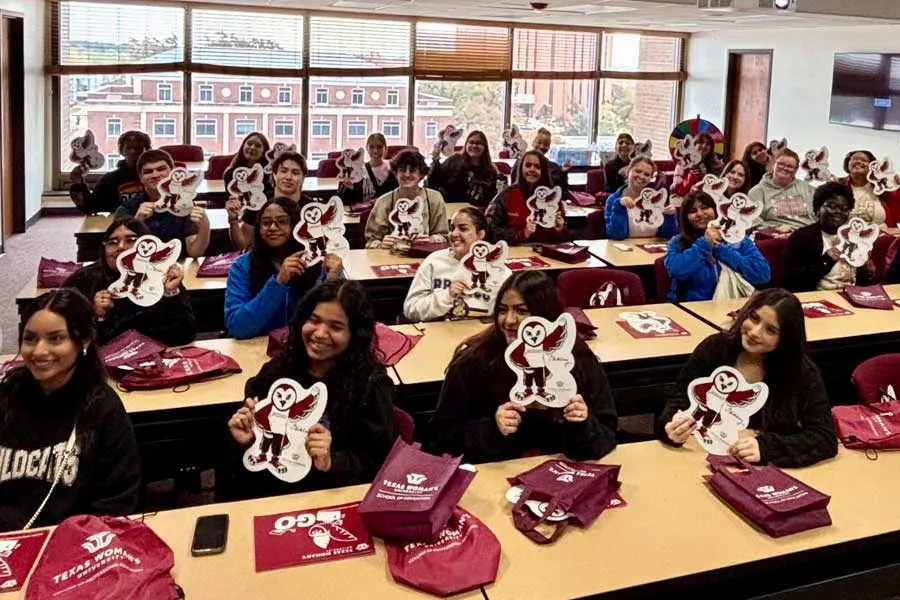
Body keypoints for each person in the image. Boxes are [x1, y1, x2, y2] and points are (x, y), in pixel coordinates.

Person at [226, 280, 394, 498]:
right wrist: (246, 440)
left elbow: (377, 461)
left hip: (329, 496)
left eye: (336, 327)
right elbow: (245, 464)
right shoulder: (277, 370)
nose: (320, 333)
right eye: (314, 320)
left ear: (355, 334)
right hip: (269, 494)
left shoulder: (371, 385)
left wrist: (332, 462)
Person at [429, 271, 618, 464]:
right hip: (495, 473)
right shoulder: (474, 360)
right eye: (502, 310)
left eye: (521, 311)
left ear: (545, 314)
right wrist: (492, 429)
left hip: (562, 470)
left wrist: (582, 424)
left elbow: (607, 433)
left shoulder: (576, 357)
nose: (509, 321)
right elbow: (441, 437)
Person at [0, 289, 141, 531]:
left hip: (74, 546)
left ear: (83, 340)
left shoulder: (103, 408)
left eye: (55, 339)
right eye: (30, 338)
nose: (39, 351)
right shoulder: (5, 398)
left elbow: (117, 500)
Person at [658, 288, 838, 468]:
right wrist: (670, 425)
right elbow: (679, 396)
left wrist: (766, 448)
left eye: (770, 330)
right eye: (754, 318)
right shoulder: (715, 348)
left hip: (760, 470)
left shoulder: (801, 371)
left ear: (785, 339)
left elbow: (824, 437)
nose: (755, 332)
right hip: (697, 455)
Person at [63, 217, 196, 346]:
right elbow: (68, 340)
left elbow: (184, 336)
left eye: (131, 240)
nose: (121, 247)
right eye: (112, 242)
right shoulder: (83, 280)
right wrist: (98, 316)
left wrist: (171, 295)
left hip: (154, 359)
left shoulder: (162, 276)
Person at [225, 197, 343, 339]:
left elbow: (337, 322)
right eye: (266, 223)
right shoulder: (242, 266)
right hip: (257, 347)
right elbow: (236, 327)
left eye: (282, 221)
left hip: (309, 346)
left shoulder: (319, 262)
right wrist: (278, 283)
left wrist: (333, 282)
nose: (273, 228)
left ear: (296, 225)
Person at [665, 190, 770, 301]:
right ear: (686, 217)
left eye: (705, 207)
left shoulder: (739, 240)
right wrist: (704, 244)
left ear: (716, 210)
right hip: (693, 308)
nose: (700, 214)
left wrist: (720, 248)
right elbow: (676, 270)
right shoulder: (677, 242)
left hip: (732, 303)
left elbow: (762, 274)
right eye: (692, 211)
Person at [113, 149, 211, 257]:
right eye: (148, 171)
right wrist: (137, 222)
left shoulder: (185, 207)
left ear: (172, 172)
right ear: (141, 178)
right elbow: (121, 253)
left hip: (176, 268)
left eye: (161, 169)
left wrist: (205, 227)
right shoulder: (126, 208)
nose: (155, 175)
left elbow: (195, 253)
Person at [782, 181, 875, 292]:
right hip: (818, 297)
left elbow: (862, 283)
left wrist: (867, 271)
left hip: (852, 296)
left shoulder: (855, 237)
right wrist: (826, 261)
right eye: (831, 207)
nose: (837, 212)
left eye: (844, 209)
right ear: (817, 208)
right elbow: (792, 281)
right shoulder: (801, 238)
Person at [403, 207, 490, 322]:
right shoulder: (434, 262)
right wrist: (447, 295)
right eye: (452, 228)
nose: (454, 234)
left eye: (463, 229)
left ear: (480, 234)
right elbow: (411, 310)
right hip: (439, 332)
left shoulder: (495, 266)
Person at [364, 149, 448, 249]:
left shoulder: (435, 198)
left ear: (421, 174)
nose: (407, 174)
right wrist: (381, 244)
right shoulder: (383, 201)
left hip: (425, 257)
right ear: (396, 173)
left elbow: (444, 236)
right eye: (402, 170)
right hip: (391, 258)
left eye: (412, 170)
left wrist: (431, 240)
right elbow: (370, 241)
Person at [227, 151, 312, 251]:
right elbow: (243, 245)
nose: (288, 177)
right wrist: (233, 220)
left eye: (295, 173)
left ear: (303, 178)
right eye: (283, 171)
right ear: (274, 175)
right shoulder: (258, 201)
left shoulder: (312, 208)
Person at [488, 150, 568, 245]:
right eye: (528, 165)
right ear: (521, 168)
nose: (532, 169)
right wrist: (521, 234)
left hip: (544, 251)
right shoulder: (507, 195)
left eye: (537, 167)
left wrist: (558, 230)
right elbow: (491, 231)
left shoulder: (553, 198)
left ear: (544, 171)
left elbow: (561, 240)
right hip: (515, 250)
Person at [70, 130, 152, 215]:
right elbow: (90, 207)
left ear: (147, 150)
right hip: (120, 224)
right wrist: (78, 184)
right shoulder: (110, 179)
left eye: (138, 148)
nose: (133, 152)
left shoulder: (156, 176)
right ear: (121, 150)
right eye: (128, 148)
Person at [605, 157, 678, 240]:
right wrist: (619, 206)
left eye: (646, 174)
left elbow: (668, 235)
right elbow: (616, 235)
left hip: (653, 249)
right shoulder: (613, 200)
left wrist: (670, 217)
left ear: (651, 178)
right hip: (625, 249)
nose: (641, 176)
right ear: (628, 171)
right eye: (638, 171)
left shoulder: (657, 198)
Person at [747, 148, 815, 234]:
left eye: (790, 166)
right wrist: (775, 229)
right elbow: (753, 221)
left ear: (795, 170)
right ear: (773, 165)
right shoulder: (757, 192)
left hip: (807, 235)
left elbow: (819, 214)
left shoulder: (807, 188)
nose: (785, 168)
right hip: (774, 236)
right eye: (781, 164)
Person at [427, 130, 502, 207]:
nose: (474, 146)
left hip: (476, 211)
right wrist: (435, 160)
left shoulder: (490, 170)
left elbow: (492, 197)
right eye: (471, 142)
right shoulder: (454, 161)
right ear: (466, 145)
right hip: (449, 207)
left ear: (485, 147)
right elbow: (433, 182)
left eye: (478, 143)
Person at [838, 149, 900, 229]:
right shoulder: (837, 185)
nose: (858, 162)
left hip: (884, 237)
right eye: (854, 159)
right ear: (847, 164)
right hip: (847, 237)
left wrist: (898, 187)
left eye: (864, 160)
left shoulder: (883, 187)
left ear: (872, 166)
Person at [337, 133, 399, 206]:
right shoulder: (357, 171)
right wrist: (348, 188)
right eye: (371, 147)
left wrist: (382, 201)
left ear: (386, 149)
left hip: (386, 213)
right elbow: (343, 202)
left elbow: (398, 196)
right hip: (362, 214)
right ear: (367, 148)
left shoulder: (393, 170)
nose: (375, 151)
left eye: (379, 147)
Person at [511, 127, 569, 196]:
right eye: (539, 142)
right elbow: (514, 186)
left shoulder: (555, 168)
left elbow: (561, 192)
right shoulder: (520, 162)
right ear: (533, 143)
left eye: (546, 145)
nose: (541, 146)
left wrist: (563, 173)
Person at [223, 132, 273, 199]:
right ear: (243, 146)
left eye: (257, 146)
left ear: (264, 151)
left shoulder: (270, 175)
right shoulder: (231, 174)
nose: (252, 147)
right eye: (249, 144)